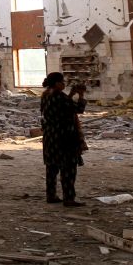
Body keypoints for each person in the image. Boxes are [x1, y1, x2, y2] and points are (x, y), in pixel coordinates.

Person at [39, 72, 88, 207]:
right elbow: (77, 109)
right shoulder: (59, 96)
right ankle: (69, 198)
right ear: (56, 83)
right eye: (62, 82)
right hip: (64, 136)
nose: (64, 84)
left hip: (51, 136)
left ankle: (51, 195)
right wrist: (81, 96)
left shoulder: (46, 95)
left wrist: (71, 95)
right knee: (68, 168)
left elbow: (63, 107)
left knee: (52, 167)